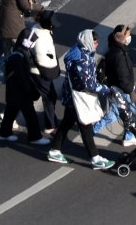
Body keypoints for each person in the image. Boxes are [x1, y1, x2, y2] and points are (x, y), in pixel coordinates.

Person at [47, 30, 115, 170]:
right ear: (88, 41)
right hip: (78, 97)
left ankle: (55, 150)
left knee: (67, 123)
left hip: (73, 96)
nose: (97, 44)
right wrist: (106, 90)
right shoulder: (81, 59)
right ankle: (95, 158)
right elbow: (88, 84)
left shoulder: (80, 51)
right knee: (86, 126)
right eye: (95, 42)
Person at [0, 28, 49, 145]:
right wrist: (31, 91)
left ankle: (4, 133)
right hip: (21, 92)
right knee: (30, 115)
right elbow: (22, 78)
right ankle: (35, 137)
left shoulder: (16, 50)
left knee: (11, 111)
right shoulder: (20, 55)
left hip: (13, 91)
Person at [94, 25, 136, 147]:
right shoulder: (119, 53)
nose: (129, 37)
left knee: (116, 113)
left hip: (117, 88)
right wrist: (131, 91)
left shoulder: (116, 49)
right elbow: (122, 76)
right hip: (121, 89)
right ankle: (128, 136)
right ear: (121, 36)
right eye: (128, 35)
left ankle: (93, 130)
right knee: (128, 113)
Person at [28, 9, 60, 134]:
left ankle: (10, 115)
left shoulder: (38, 29)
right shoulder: (39, 36)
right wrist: (52, 68)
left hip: (37, 71)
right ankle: (50, 125)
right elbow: (41, 59)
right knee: (50, 97)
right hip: (40, 71)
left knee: (32, 95)